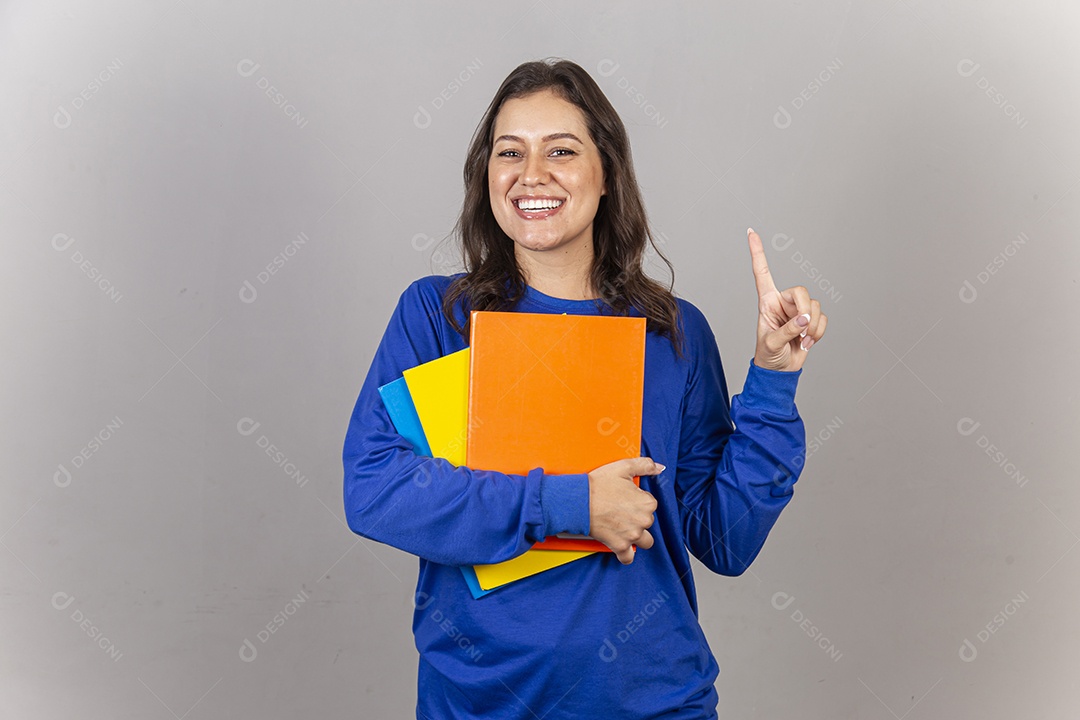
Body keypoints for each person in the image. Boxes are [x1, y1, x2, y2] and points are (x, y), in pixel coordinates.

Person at [342, 57, 827, 719]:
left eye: (561, 151)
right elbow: (376, 490)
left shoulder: (674, 333)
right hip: (480, 704)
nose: (531, 174)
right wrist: (569, 504)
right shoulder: (439, 318)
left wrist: (773, 381)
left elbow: (725, 540)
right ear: (486, 175)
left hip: (652, 701)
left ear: (607, 176)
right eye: (508, 152)